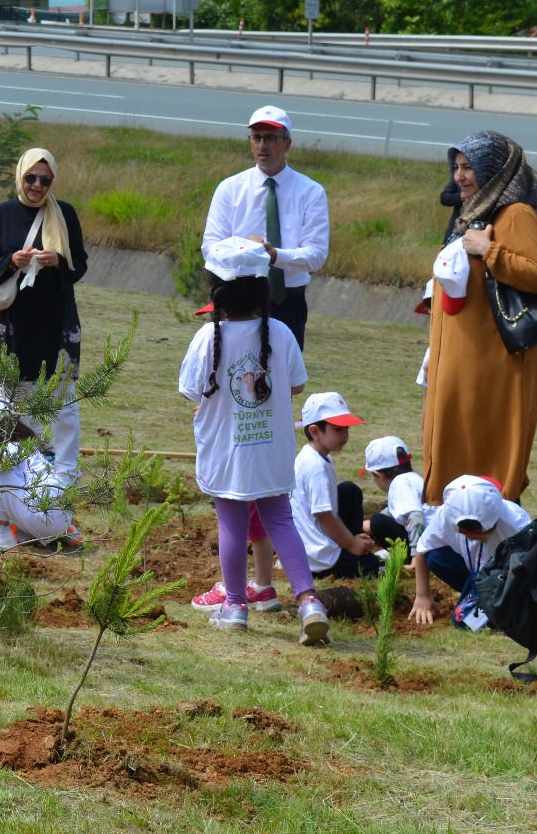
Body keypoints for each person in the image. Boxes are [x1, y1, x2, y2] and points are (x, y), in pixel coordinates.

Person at [178, 238, 328, 643]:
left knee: (232, 522)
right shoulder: (279, 333)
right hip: (270, 450)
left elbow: (190, 392)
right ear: (263, 290)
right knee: (280, 518)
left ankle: (235, 606)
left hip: (227, 453)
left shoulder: (205, 339)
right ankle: (309, 601)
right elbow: (295, 386)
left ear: (216, 291)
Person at [421, 131, 537, 505]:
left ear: (494, 171)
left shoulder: (516, 215)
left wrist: (491, 250)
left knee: (485, 449)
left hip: (496, 361)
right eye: (456, 167)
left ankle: (485, 530)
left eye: (469, 167)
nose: (459, 176)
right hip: (460, 354)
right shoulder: (470, 213)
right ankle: (450, 530)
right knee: (450, 440)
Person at [0, 148, 88, 481]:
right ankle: (10, 469)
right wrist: (13, 261)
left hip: (56, 318)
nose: (37, 186)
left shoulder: (65, 213)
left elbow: (79, 265)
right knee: (14, 394)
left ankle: (65, 472)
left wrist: (57, 261)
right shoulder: (2, 214)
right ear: (20, 177)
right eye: (31, 178)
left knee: (62, 399)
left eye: (45, 180)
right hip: (17, 321)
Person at [201, 105, 330, 349]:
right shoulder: (230, 188)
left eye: (270, 138)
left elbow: (316, 256)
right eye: (256, 137)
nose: (262, 145)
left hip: (286, 298)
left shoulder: (311, 192)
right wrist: (244, 253)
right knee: (230, 370)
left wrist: (274, 256)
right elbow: (210, 247)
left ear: (287, 144)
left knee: (283, 378)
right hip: (235, 296)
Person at [406, 475, 531, 630]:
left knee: (463, 623)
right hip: (474, 572)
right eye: (469, 535)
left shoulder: (516, 523)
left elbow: (532, 565)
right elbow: (422, 550)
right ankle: (476, 595)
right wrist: (422, 596)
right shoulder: (444, 517)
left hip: (506, 578)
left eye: (485, 533)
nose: (479, 538)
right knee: (435, 557)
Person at [0, 398, 83, 553]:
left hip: (42, 518)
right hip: (63, 514)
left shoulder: (10, 447)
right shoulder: (26, 444)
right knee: (25, 491)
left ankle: (1, 534)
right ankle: (64, 531)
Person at [291, 392, 379, 579]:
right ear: (315, 431)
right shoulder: (315, 466)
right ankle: (353, 549)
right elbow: (323, 514)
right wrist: (350, 543)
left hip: (317, 539)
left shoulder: (319, 455)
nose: (345, 435)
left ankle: (355, 543)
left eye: (346, 428)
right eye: (338, 429)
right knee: (373, 566)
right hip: (319, 558)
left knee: (349, 490)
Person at [362, 436, 427, 548]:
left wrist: (417, 554)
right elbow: (392, 513)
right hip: (432, 539)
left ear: (377, 475)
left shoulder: (399, 484)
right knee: (377, 520)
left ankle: (408, 558)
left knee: (378, 522)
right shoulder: (413, 479)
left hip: (424, 547)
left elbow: (416, 516)